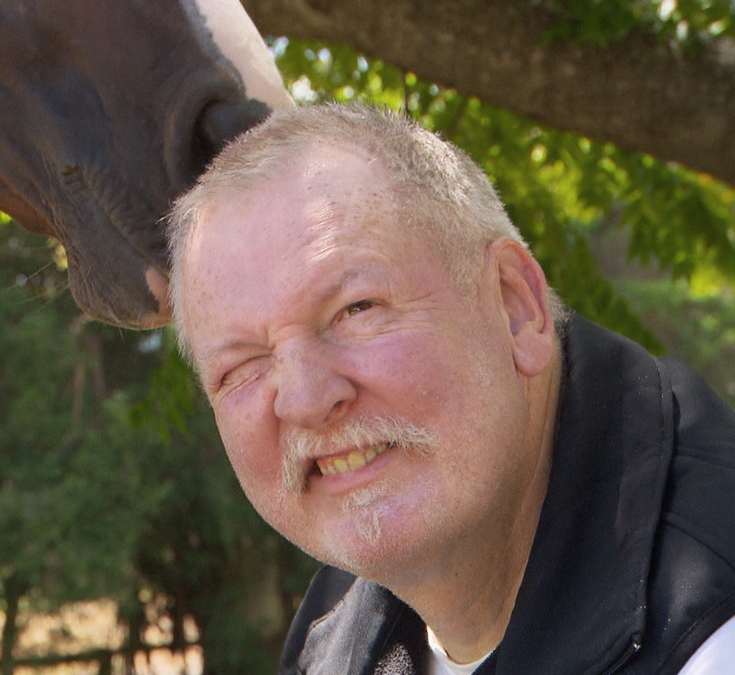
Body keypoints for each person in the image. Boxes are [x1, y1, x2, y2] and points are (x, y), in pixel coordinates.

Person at [166, 103, 735, 674]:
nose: (306, 400)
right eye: (241, 367)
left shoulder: (711, 626)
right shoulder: (335, 629)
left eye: (356, 309)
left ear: (516, 307)